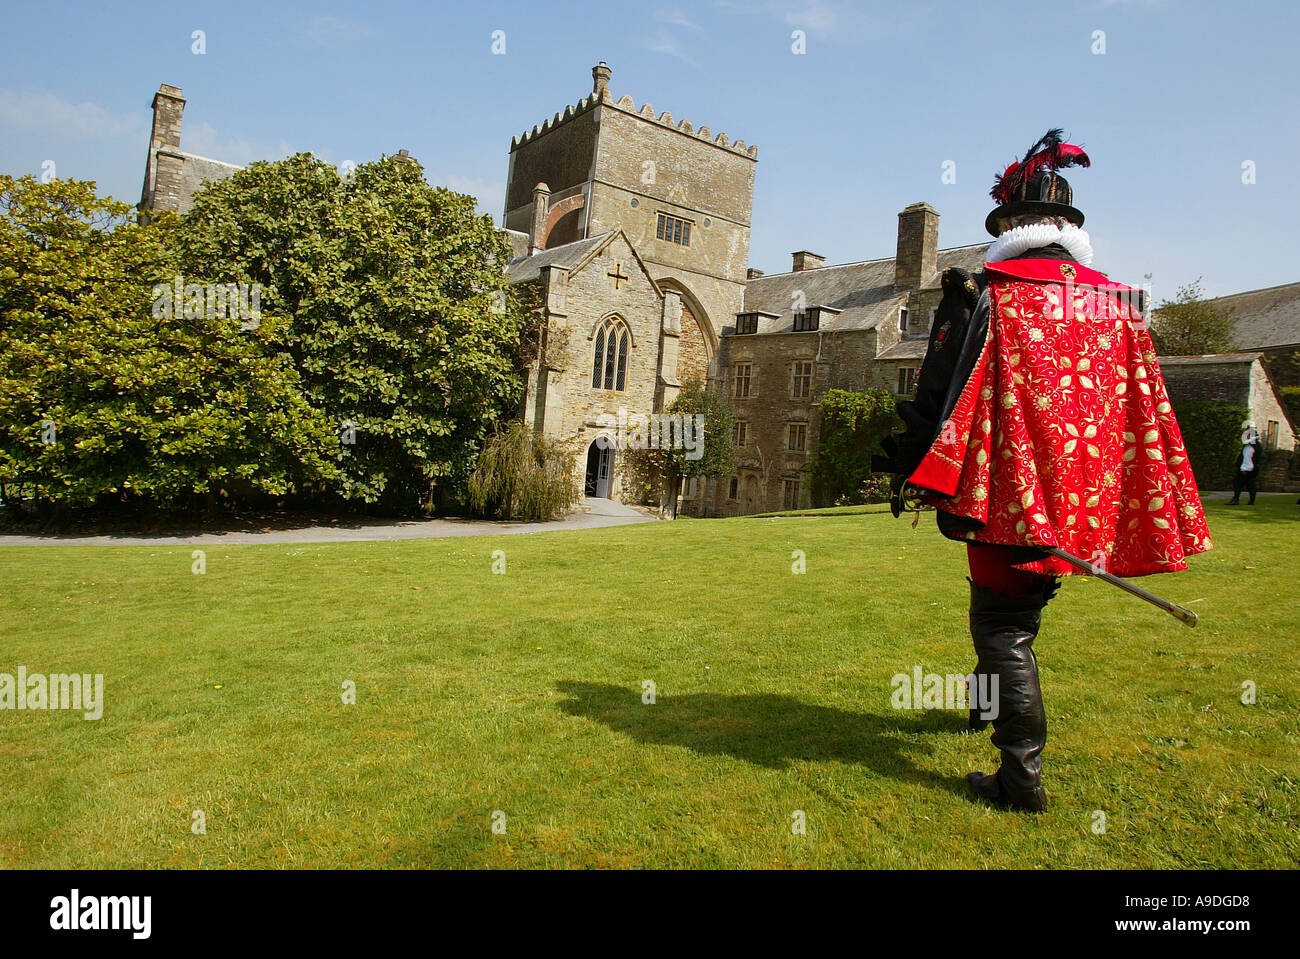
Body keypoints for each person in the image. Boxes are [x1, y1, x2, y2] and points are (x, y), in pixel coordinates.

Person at [873, 129, 1213, 813]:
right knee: (1015, 614)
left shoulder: (983, 291)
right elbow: (1140, 408)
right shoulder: (1120, 304)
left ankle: (1019, 778)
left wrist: (912, 464)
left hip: (1003, 492)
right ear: (1067, 230)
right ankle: (980, 704)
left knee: (1004, 627)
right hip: (1084, 499)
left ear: (1008, 228)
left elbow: (937, 390)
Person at [1228, 424, 1263, 505]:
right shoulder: (1248, 446)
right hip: (1247, 469)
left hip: (1249, 470)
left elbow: (1250, 459)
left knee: (1246, 485)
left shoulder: (1253, 446)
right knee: (1242, 484)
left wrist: (1245, 469)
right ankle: (1239, 499)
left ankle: (1246, 500)